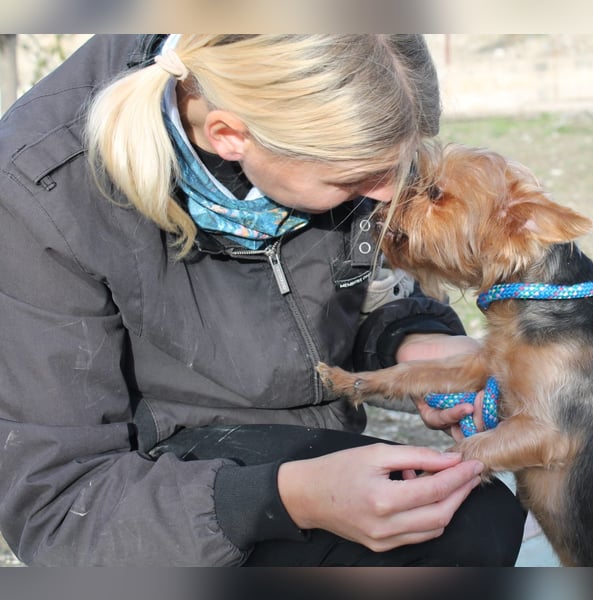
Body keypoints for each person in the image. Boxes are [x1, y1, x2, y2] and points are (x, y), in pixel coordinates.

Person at [0, 34, 525, 566]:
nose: (389, 198)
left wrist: (411, 337)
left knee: (475, 519)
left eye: (401, 167)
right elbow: (59, 507)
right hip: (159, 497)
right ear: (230, 136)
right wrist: (285, 500)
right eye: (353, 178)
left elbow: (358, 280)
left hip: (304, 450)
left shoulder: (315, 133)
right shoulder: (36, 192)